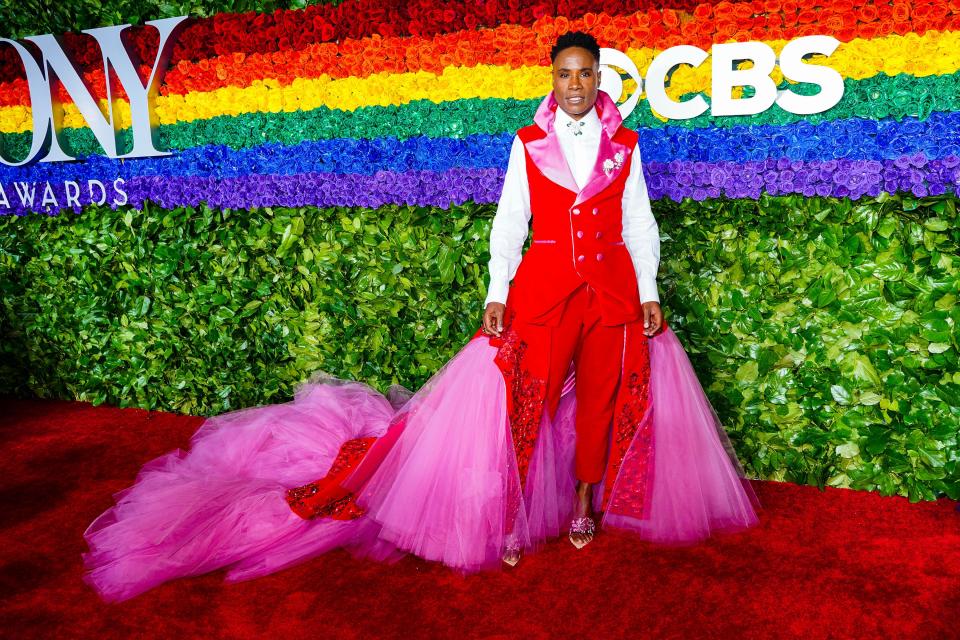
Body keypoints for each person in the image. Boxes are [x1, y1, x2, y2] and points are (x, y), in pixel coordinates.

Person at [82, 32, 760, 603]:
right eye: (565, 74)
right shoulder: (528, 143)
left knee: (600, 405)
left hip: (611, 293)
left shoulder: (627, 147)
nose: (576, 84)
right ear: (552, 81)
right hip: (544, 290)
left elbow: (639, 223)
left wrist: (646, 288)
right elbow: (509, 223)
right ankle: (515, 515)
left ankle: (584, 504)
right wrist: (497, 290)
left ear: (600, 78)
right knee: (526, 403)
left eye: (586, 74)